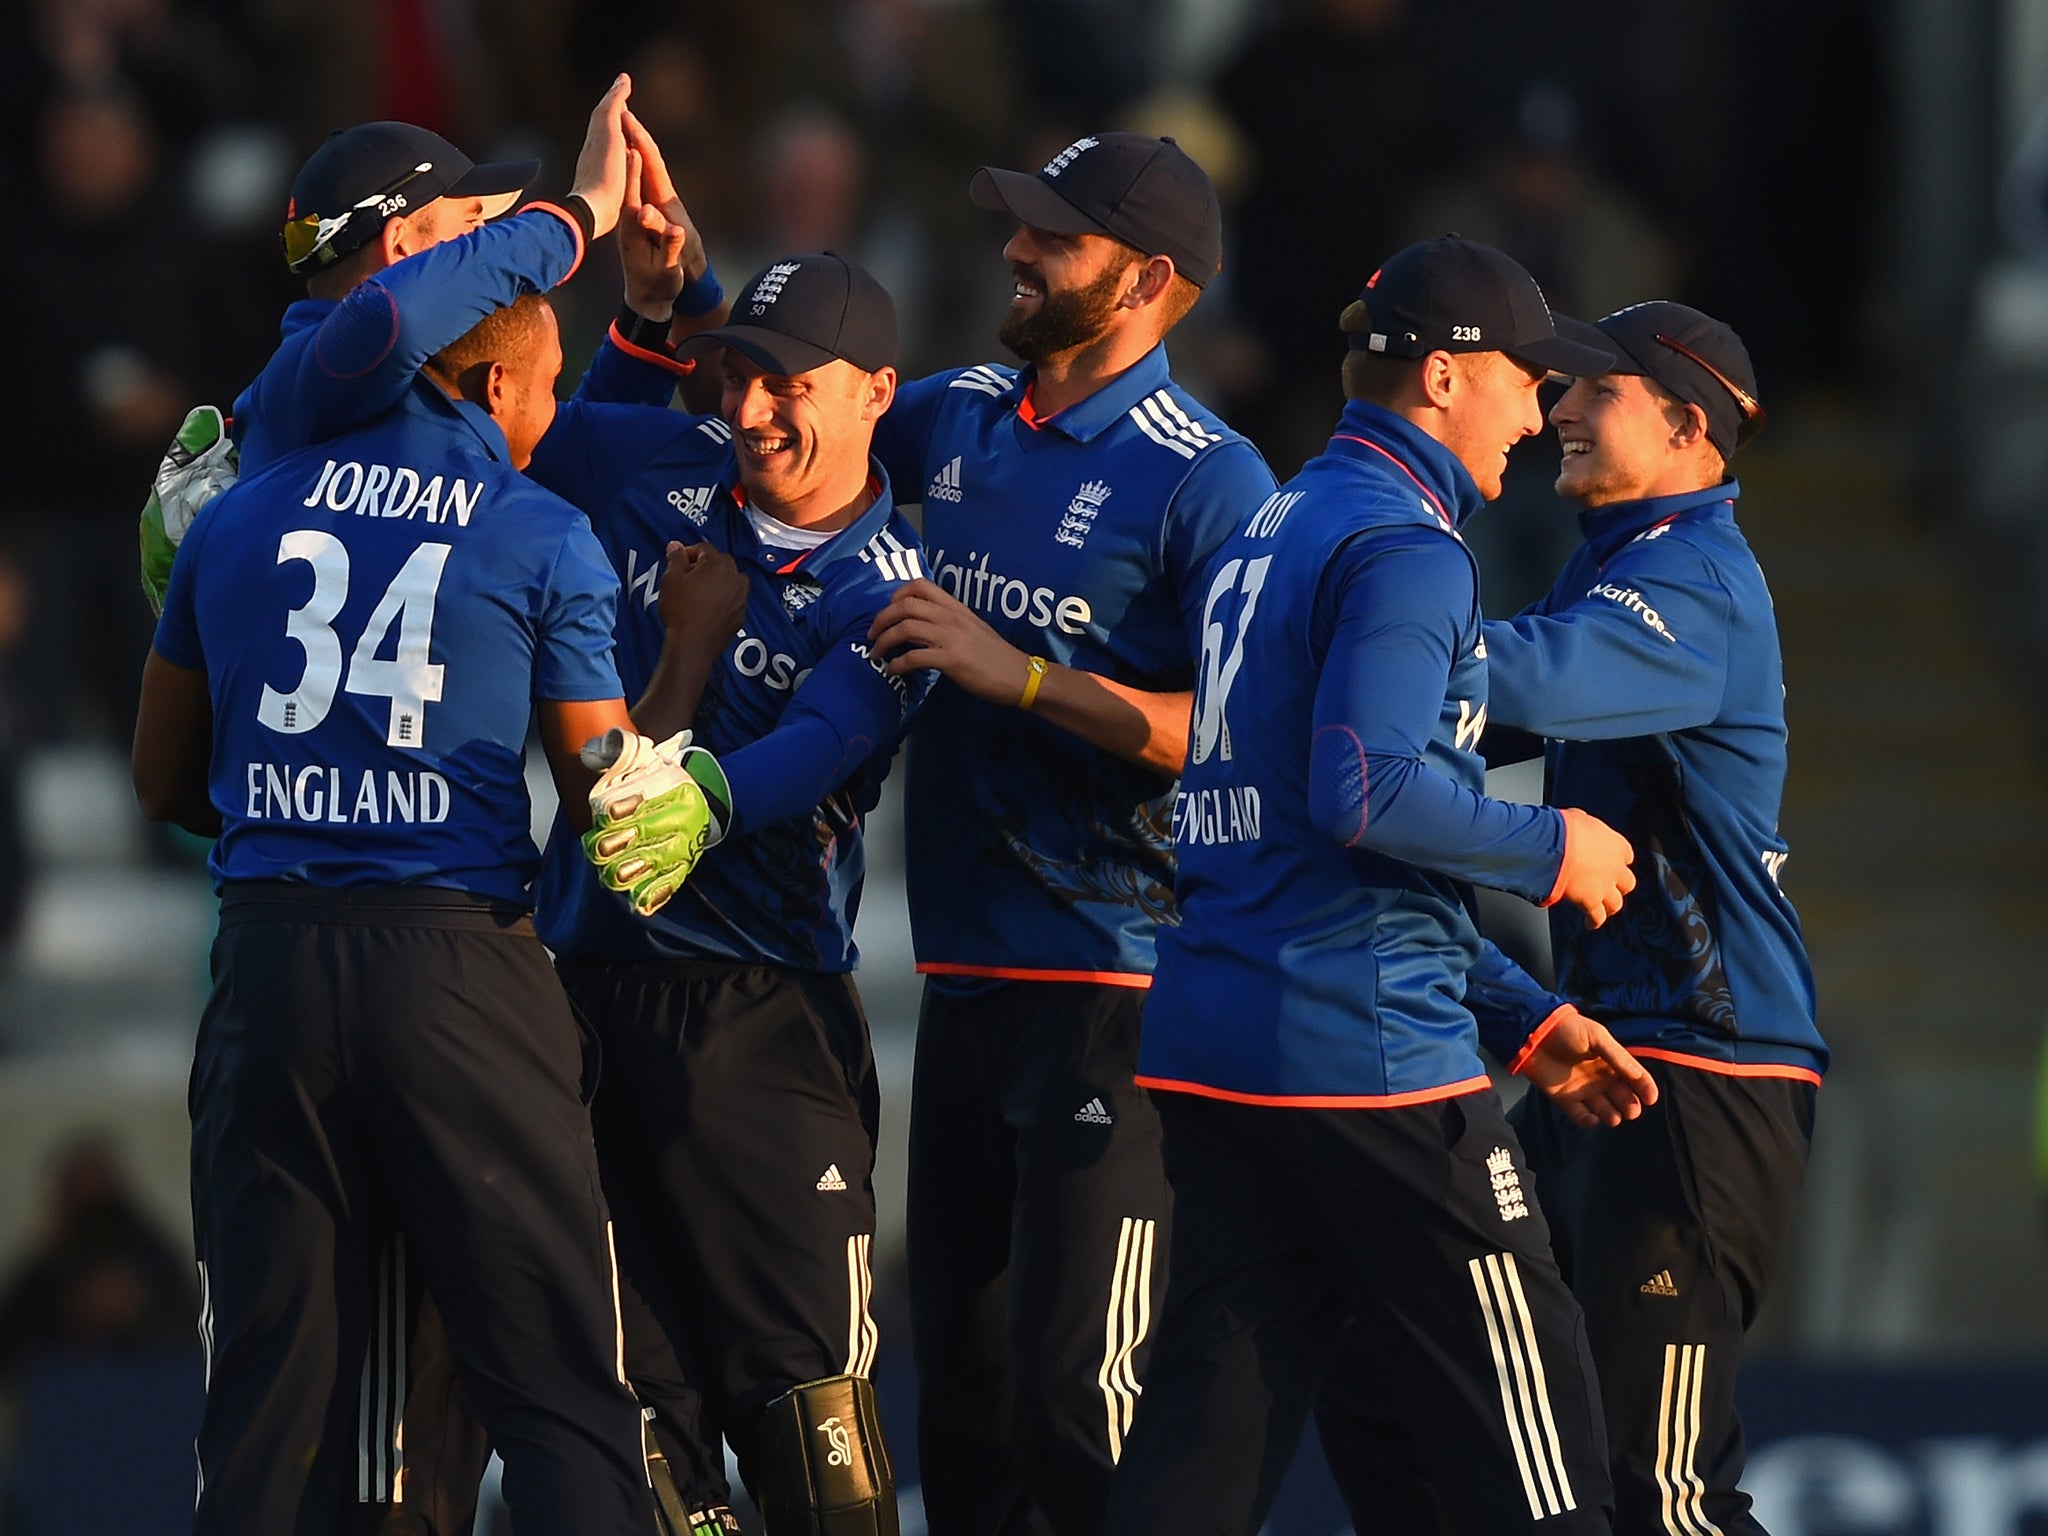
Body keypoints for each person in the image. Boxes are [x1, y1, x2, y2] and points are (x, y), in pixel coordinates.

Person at [1101, 237, 1653, 1535]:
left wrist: (1521, 1014)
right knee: (1544, 1465)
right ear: (1451, 378)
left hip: (1219, 1045)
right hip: (1368, 1058)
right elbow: (1369, 798)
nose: (1542, 412)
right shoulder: (1410, 547)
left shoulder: (1271, 527)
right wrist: (1551, 847)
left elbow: (1296, 827)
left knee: (1202, 1455)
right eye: (1529, 378)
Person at [131, 291, 703, 1535]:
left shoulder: (237, 518)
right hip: (454, 966)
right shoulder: (538, 527)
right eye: (547, 390)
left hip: (269, 967)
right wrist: (692, 666)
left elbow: (161, 782)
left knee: (266, 1413)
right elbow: (613, 810)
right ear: (493, 388)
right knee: (559, 1392)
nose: (550, 420)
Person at [856, 133, 1278, 1536]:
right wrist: (671, 310)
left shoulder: (1209, 477)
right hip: (966, 984)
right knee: (962, 1408)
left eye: (1055, 239)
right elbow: (792, 411)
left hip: (1119, 997)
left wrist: (1019, 674)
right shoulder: (961, 414)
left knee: (1075, 1402)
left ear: (1150, 281)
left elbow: (1237, 732)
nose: (1016, 254)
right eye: (1019, 228)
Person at [524, 252, 930, 1535]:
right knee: (633, 1416)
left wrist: (690, 738)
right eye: (739, 376)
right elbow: (525, 420)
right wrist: (651, 306)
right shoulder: (667, 466)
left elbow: (806, 754)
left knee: (806, 1411)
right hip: (582, 998)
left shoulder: (889, 594)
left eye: (787, 383)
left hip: (760, 1021)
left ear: (877, 392)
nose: (753, 410)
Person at [1477, 301, 1823, 1536]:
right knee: (1501, 1436)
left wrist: (1362, 638)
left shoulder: (1694, 580)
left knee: (1660, 1498)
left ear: (1685, 426)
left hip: (1693, 1068)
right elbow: (1467, 727)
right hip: (1607, 1052)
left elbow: (1517, 683)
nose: (1558, 405)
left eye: (1594, 390)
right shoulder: (1616, 561)